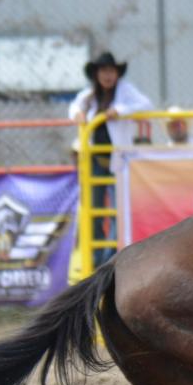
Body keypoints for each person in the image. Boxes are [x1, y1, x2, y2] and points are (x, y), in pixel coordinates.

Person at [68, 52, 154, 268]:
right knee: (94, 207)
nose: (107, 75)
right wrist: (77, 114)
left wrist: (120, 110)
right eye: (103, 71)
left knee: (117, 209)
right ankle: (96, 256)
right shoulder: (89, 97)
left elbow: (146, 105)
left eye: (111, 71)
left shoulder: (125, 92)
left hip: (118, 160)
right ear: (96, 74)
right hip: (95, 160)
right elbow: (74, 108)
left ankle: (111, 256)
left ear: (117, 73)